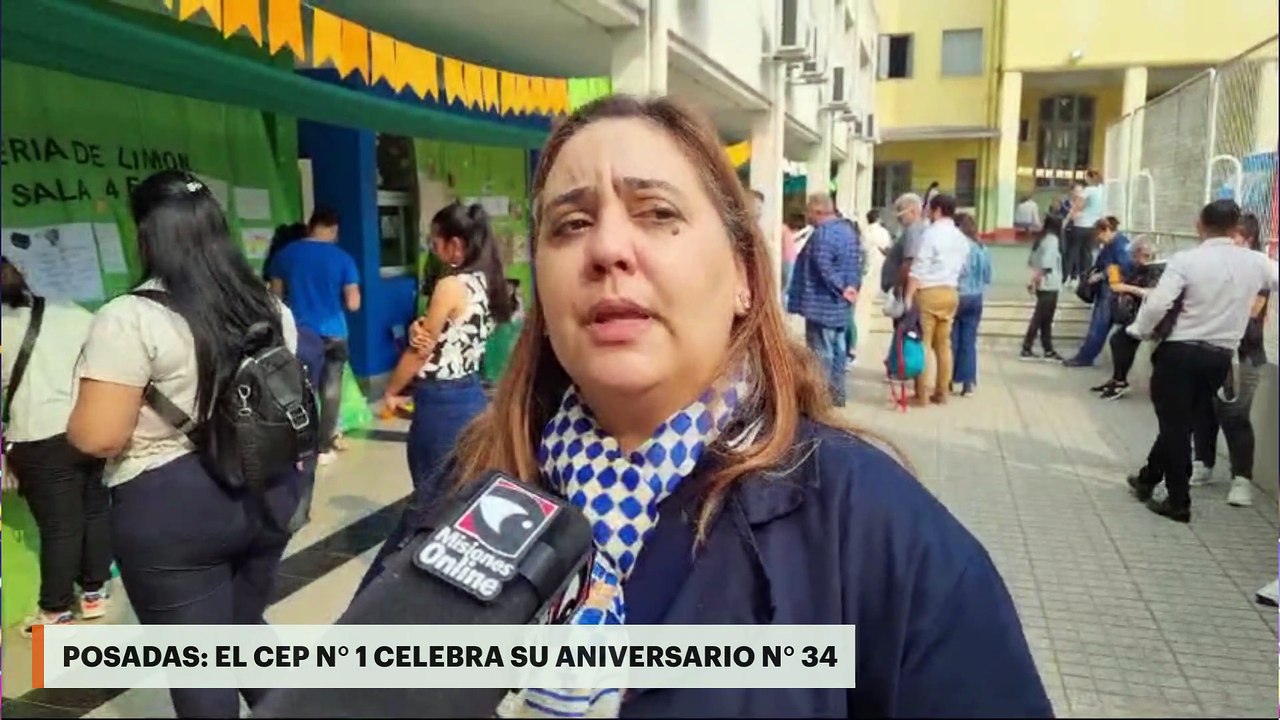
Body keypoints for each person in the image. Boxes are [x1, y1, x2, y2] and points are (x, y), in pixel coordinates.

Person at [360, 94, 1051, 718]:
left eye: (658, 213)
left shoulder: (874, 529)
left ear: (745, 278)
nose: (606, 249)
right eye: (570, 225)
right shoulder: (469, 488)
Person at [65, 170, 309, 718]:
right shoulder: (271, 310)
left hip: (171, 509)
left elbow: (100, 435)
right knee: (244, 631)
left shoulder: (130, 318)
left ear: (146, 236)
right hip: (267, 491)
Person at [1125, 200, 1279, 523]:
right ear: (1236, 227)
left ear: (1199, 226)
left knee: (1174, 424)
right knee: (1180, 420)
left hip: (1179, 353)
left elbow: (1158, 303)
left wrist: (1139, 330)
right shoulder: (1258, 262)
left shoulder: (1188, 260)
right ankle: (1148, 478)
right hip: (1219, 357)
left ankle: (1178, 501)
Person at [2, 258, 112, 636]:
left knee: (59, 526)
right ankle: (95, 591)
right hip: (87, 424)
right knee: (95, 509)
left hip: (37, 435)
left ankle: (55, 611)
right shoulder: (70, 311)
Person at [380, 202, 512, 499]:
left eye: (434, 241)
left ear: (454, 245)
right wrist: (421, 326)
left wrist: (392, 391)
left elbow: (420, 352)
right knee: (461, 487)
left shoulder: (450, 285)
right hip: (471, 394)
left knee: (432, 492)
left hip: (440, 401)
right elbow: (445, 333)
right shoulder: (488, 282)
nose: (432, 247)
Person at [268, 208, 360, 465]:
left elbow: (275, 299)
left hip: (300, 333)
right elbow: (354, 304)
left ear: (311, 225)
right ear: (333, 230)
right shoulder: (343, 259)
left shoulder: (285, 255)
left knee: (298, 391)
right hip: (335, 332)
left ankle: (299, 447)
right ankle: (323, 448)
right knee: (331, 390)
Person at [1188, 213, 1268, 508]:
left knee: (1235, 416)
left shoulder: (1259, 269)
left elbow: (1252, 310)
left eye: (1234, 237)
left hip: (1243, 354)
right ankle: (1202, 463)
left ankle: (1241, 480)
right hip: (1210, 348)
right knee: (1203, 410)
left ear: (1246, 239)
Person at [787, 192, 861, 406]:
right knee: (838, 350)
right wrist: (852, 288)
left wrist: (842, 287)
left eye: (808, 211)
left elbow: (823, 266)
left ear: (818, 211)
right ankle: (837, 394)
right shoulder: (848, 230)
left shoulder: (823, 234)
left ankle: (820, 397)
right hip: (840, 305)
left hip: (822, 303)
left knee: (821, 353)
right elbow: (856, 261)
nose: (806, 215)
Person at [905, 194, 970, 405]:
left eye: (931, 210)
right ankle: (942, 392)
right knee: (944, 345)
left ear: (938, 210)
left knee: (923, 344)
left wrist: (908, 295)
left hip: (929, 291)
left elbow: (919, 266)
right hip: (951, 292)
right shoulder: (961, 237)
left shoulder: (930, 234)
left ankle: (921, 393)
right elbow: (964, 268)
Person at [1093, 239, 1158, 399]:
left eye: (1142, 255)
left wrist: (1126, 288)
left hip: (1147, 316)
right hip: (1136, 314)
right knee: (1119, 341)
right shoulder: (1139, 268)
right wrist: (1113, 276)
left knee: (1120, 341)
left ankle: (1120, 381)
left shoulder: (1155, 270)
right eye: (1136, 255)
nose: (1138, 259)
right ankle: (1117, 379)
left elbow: (1153, 293)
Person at [1064, 216, 1132, 367]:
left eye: (1099, 235)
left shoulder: (1119, 246)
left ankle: (1085, 357)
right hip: (1109, 288)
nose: (1098, 239)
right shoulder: (1115, 244)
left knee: (1099, 325)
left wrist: (1101, 276)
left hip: (1111, 290)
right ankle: (1086, 355)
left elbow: (1122, 267)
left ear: (1107, 230)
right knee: (1099, 325)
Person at [950, 213, 992, 396]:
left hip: (957, 295)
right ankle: (968, 383)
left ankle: (949, 378)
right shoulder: (982, 249)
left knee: (952, 340)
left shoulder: (958, 247)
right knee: (969, 341)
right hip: (976, 298)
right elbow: (988, 276)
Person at [1021, 215, 1065, 361]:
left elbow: (1033, 261)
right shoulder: (1053, 241)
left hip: (1044, 284)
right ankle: (1027, 347)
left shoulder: (1042, 239)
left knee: (1046, 319)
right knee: (1040, 317)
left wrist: (1034, 279)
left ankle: (1048, 348)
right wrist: (1034, 281)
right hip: (1049, 284)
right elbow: (1047, 265)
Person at [1065, 171, 1106, 284]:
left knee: (1073, 251)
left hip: (1081, 224)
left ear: (1090, 178)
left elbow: (1078, 206)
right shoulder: (1103, 190)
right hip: (1094, 226)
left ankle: (1068, 277)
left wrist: (1067, 219)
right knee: (1087, 253)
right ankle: (1085, 277)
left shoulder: (1089, 190)